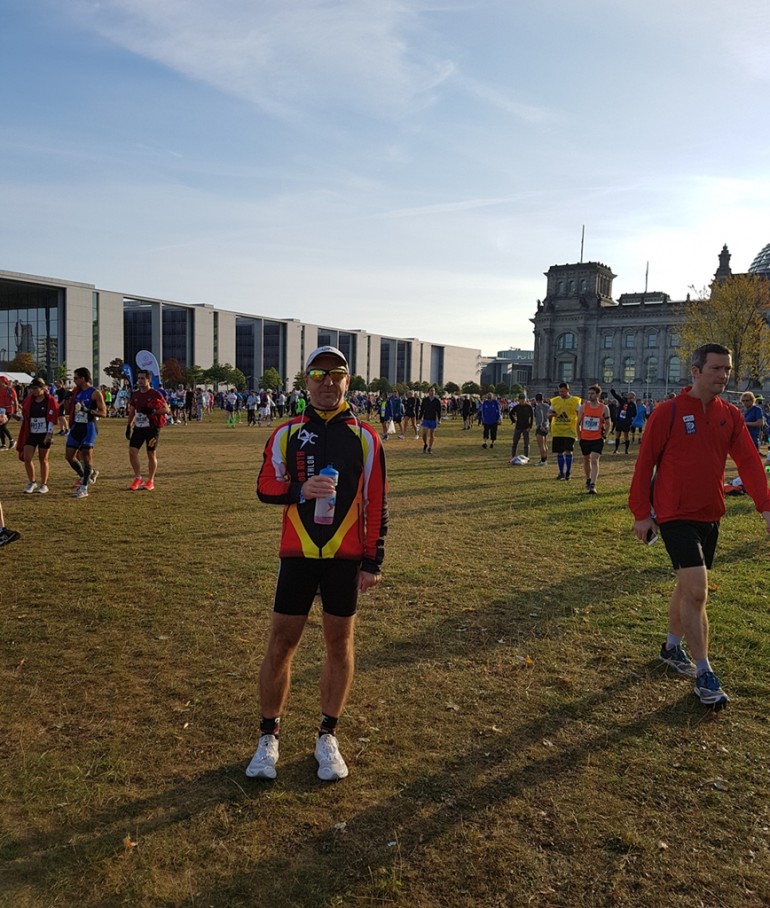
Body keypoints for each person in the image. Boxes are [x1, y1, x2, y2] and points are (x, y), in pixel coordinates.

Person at [247, 345, 388, 782]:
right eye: (318, 375)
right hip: (298, 554)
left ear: (348, 382)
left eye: (336, 375)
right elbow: (264, 487)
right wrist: (299, 489)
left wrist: (372, 560)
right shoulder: (287, 432)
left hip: (345, 559)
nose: (327, 383)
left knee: (338, 646)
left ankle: (327, 735)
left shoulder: (365, 437)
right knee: (281, 644)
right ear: (305, 381)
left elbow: (377, 502)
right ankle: (268, 737)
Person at [629, 343, 770, 709]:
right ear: (695, 371)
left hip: (711, 514)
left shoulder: (731, 416)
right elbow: (645, 464)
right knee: (696, 592)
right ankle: (705, 673)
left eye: (727, 369)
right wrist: (641, 512)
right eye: (716, 369)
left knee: (686, 586)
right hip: (674, 514)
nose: (724, 375)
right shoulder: (668, 413)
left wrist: (765, 507)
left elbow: (750, 463)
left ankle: (671, 648)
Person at [65, 368, 107, 498]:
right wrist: (67, 399)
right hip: (77, 426)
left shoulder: (95, 393)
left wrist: (88, 410)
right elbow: (68, 411)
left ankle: (84, 488)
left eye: (76, 378)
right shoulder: (76, 392)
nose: (74, 380)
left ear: (83, 378)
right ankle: (85, 476)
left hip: (89, 427)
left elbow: (103, 413)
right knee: (69, 455)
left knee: (86, 456)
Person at [126, 370, 171, 491]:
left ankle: (150, 480)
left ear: (148, 380)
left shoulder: (155, 393)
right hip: (139, 428)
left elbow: (166, 410)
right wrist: (128, 425)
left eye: (142, 378)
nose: (139, 381)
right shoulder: (135, 394)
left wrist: (153, 412)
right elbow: (132, 411)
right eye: (138, 378)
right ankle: (138, 478)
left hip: (152, 428)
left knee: (151, 454)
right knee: (132, 451)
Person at [17, 377, 58, 494]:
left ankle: (44, 484)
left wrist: (49, 434)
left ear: (43, 388)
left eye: (35, 388)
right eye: (32, 389)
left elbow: (52, 418)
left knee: (43, 459)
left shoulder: (49, 400)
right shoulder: (30, 400)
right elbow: (26, 417)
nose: (33, 391)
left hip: (44, 433)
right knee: (27, 458)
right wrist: (19, 417)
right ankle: (32, 482)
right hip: (31, 433)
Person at [577, 385, 610, 494]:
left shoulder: (604, 408)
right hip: (585, 438)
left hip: (597, 438)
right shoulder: (583, 407)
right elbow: (578, 423)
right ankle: (588, 479)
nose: (589, 395)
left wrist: (604, 435)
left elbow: (608, 423)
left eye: (592, 393)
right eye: (589, 393)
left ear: (597, 394)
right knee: (586, 459)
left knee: (594, 459)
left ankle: (593, 484)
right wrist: (579, 437)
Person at [549, 382, 581, 480]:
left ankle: (568, 472)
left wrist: (579, 426)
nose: (561, 393)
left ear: (568, 390)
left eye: (563, 391)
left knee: (568, 451)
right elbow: (549, 413)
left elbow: (579, 414)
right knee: (559, 452)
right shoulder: (555, 401)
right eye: (560, 392)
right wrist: (551, 415)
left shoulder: (575, 401)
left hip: (570, 430)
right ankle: (561, 472)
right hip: (558, 430)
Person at [610, 388, 637, 454]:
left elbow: (634, 414)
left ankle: (626, 450)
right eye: (629, 396)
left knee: (626, 436)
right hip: (619, 421)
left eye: (632, 397)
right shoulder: (623, 401)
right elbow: (616, 396)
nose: (630, 398)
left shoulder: (633, 405)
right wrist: (612, 391)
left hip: (627, 422)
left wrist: (627, 413)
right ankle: (616, 449)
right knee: (617, 435)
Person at [510, 392, 534, 461]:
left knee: (526, 443)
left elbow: (532, 418)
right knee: (515, 442)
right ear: (518, 400)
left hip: (526, 427)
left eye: (523, 399)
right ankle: (513, 456)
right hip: (518, 426)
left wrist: (530, 426)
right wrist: (514, 420)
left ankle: (526, 457)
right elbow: (510, 413)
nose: (522, 401)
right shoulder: (516, 407)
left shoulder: (529, 407)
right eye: (521, 399)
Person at [419, 387, 442, 454]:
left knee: (432, 434)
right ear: (428, 392)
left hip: (433, 419)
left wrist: (439, 419)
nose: (432, 392)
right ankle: (425, 444)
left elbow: (439, 411)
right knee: (424, 434)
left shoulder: (437, 401)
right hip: (426, 418)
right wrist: (419, 418)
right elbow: (422, 409)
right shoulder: (425, 400)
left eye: (433, 391)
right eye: (431, 391)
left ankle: (430, 448)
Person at [0, 377, 19, 449]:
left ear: (4, 382)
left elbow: (15, 400)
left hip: (8, 410)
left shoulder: (10, 390)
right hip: (1, 411)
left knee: (2, 426)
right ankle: (3, 444)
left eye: (0, 381)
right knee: (0, 427)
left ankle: (12, 440)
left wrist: (16, 409)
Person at [533, 392, 550, 466]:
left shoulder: (538, 406)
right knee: (545, 444)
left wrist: (540, 425)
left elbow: (540, 416)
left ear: (536, 399)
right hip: (546, 426)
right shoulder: (547, 406)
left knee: (541, 445)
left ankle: (543, 460)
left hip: (541, 427)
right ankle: (545, 459)